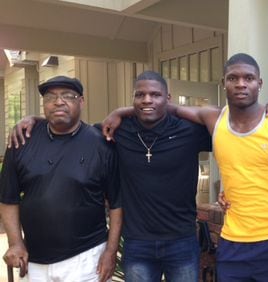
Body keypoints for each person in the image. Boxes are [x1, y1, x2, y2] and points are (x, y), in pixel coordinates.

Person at [102, 53, 268, 281]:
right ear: (224, 83)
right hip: (229, 240)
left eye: (249, 78)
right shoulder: (214, 119)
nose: (241, 84)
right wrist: (119, 112)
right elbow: (167, 107)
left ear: (259, 83)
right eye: (233, 78)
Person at [7, 71, 212, 282]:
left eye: (155, 95)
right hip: (137, 241)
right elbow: (70, 123)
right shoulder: (117, 131)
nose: (147, 99)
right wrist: (36, 120)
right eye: (140, 95)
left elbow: (224, 124)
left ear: (168, 99)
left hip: (181, 240)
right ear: (133, 99)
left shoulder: (189, 131)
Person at [0, 76, 122, 282]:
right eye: (50, 97)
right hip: (34, 261)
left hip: (87, 259)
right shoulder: (21, 141)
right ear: (44, 104)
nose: (58, 102)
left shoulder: (101, 144)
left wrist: (110, 252)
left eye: (68, 96)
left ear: (81, 101)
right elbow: (8, 199)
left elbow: (117, 204)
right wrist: (16, 243)